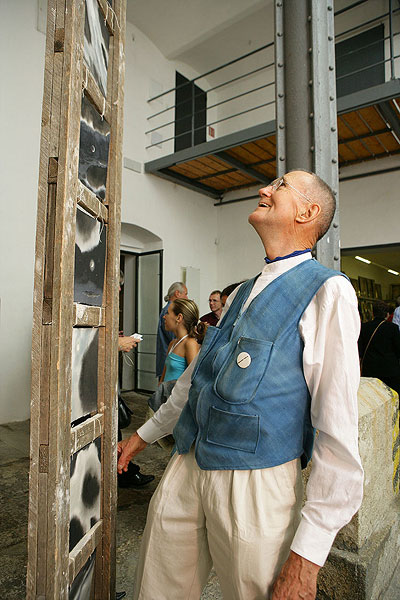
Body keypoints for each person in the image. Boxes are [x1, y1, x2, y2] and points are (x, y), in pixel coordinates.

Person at [118, 170, 364, 600]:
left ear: (308, 212)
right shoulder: (240, 292)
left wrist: (308, 556)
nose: (263, 190)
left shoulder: (329, 293)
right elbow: (196, 380)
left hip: (256, 483)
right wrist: (143, 435)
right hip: (187, 462)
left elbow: (338, 428)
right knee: (155, 588)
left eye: (280, 185)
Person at [359, 301, 400, 399]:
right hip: (389, 371)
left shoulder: (364, 327)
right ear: (387, 314)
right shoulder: (392, 328)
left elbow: (360, 350)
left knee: (372, 398)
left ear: (373, 313)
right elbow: (398, 350)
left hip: (370, 370)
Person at [160, 298, 201, 383]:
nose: (164, 316)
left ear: (179, 318)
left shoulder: (190, 343)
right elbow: (162, 379)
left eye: (167, 313)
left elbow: (194, 379)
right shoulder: (173, 343)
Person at [156, 282, 188, 379]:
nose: (186, 298)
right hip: (170, 364)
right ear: (177, 293)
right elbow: (176, 337)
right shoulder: (169, 311)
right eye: (185, 294)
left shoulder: (166, 310)